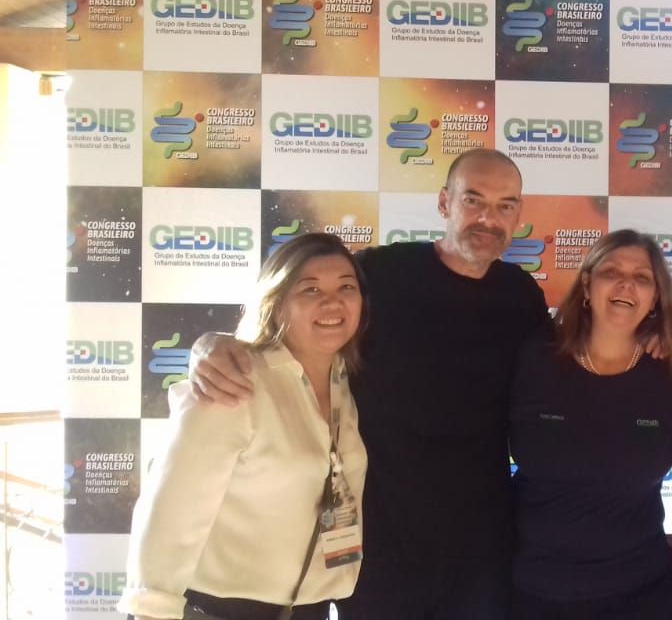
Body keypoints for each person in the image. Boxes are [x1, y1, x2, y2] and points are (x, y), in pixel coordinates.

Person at [189, 149, 549, 620]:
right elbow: (295, 320)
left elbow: (570, 369)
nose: (488, 218)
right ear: (445, 202)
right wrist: (213, 344)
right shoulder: (379, 273)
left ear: (519, 213)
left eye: (505, 205)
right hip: (377, 538)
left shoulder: (521, 296)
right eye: (474, 200)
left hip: (480, 542)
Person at [120, 232, 369, 620]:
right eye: (310, 289)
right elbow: (171, 509)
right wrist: (151, 608)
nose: (332, 301)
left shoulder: (344, 384)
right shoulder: (232, 379)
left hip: (309, 609)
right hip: (221, 609)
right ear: (276, 303)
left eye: (346, 287)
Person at [507, 230, 672, 620]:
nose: (626, 284)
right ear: (587, 285)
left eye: (642, 277)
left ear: (656, 297)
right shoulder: (534, 358)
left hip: (641, 595)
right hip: (536, 594)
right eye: (612, 272)